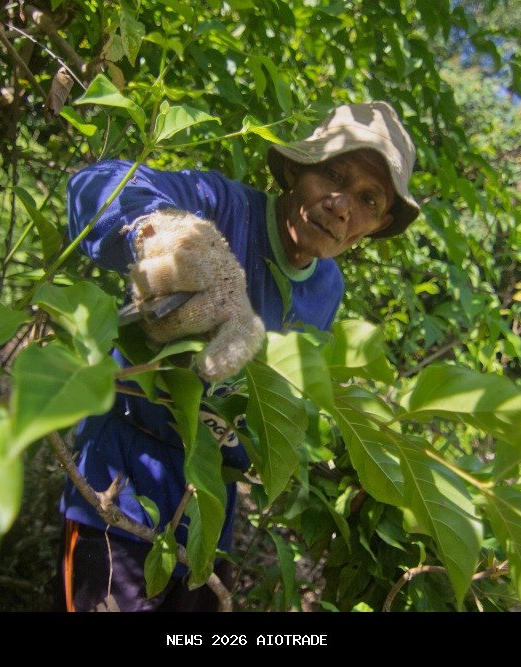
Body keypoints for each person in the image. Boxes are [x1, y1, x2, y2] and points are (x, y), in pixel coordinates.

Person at [60, 101, 421, 612]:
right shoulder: (222, 206)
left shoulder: (326, 289)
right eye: (333, 175)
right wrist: (161, 233)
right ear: (297, 170)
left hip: (208, 507)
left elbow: (276, 396)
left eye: (367, 199)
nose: (342, 206)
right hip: (119, 480)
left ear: (375, 225)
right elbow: (94, 185)